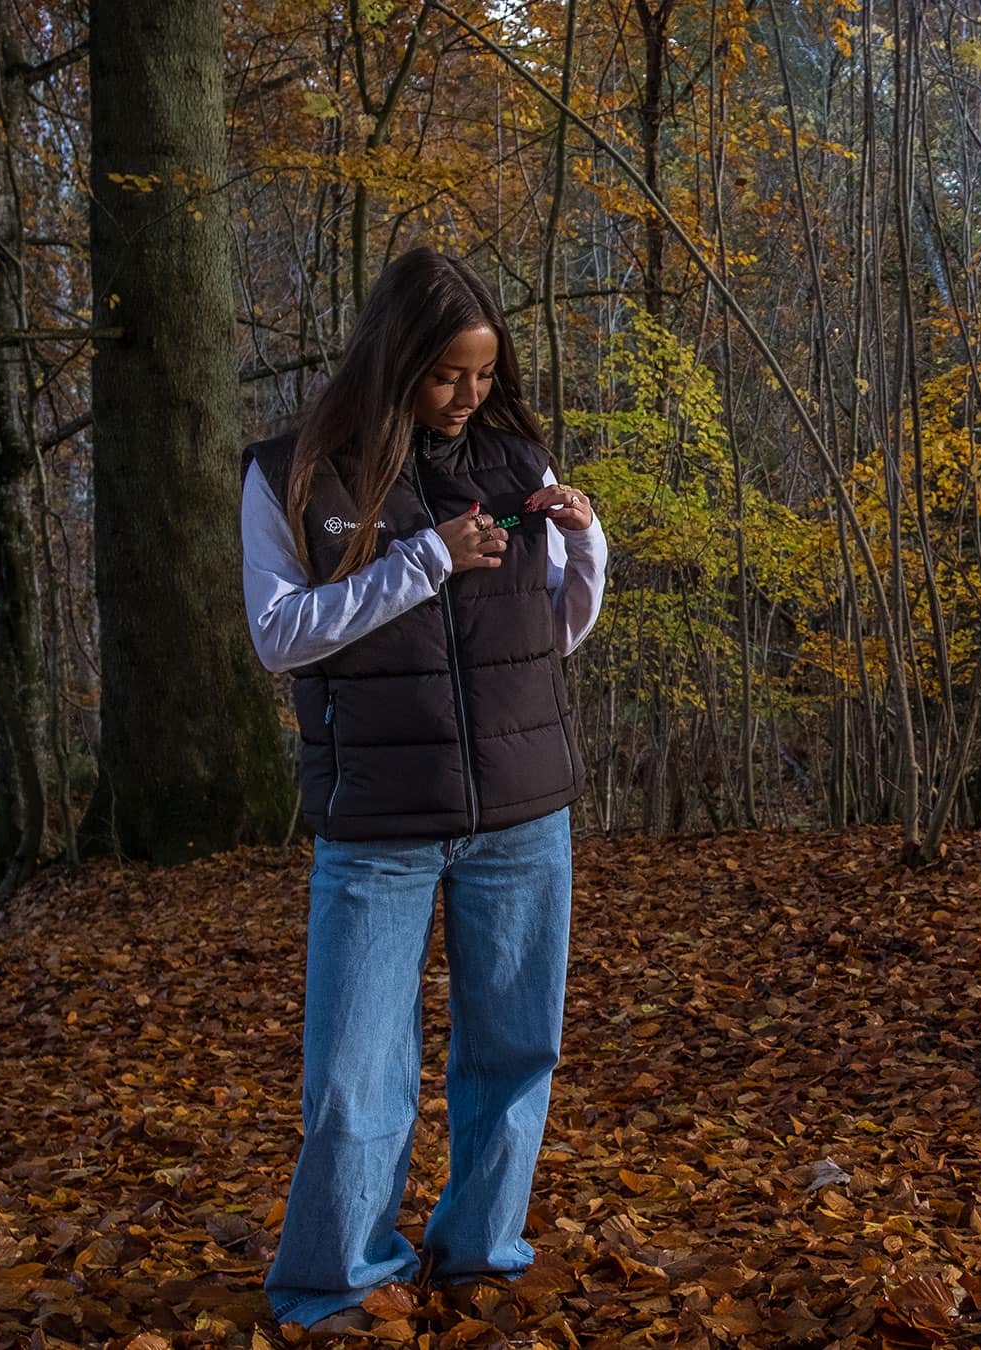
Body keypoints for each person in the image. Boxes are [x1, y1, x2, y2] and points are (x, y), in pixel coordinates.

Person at [236, 246, 606, 1335]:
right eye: (448, 373)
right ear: (395, 360)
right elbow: (278, 636)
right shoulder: (294, 471)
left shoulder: (512, 456)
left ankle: (480, 1254)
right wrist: (423, 561)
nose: (469, 396)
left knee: (514, 1051)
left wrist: (587, 548)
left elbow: (550, 642)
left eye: (484, 374)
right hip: (378, 825)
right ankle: (336, 1278)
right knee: (355, 1074)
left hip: (522, 816)